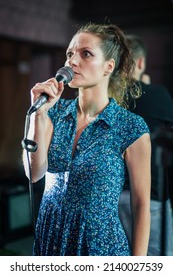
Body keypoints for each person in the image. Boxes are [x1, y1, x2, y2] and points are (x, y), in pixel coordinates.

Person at [23, 23, 151, 256]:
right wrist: (37, 115)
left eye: (86, 54)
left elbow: (141, 205)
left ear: (108, 67)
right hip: (51, 238)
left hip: (98, 245)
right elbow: (34, 174)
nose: (72, 61)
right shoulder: (53, 113)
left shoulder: (131, 127)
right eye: (70, 54)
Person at [118, 34, 173, 256]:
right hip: (150, 199)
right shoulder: (158, 94)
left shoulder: (105, 98)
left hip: (109, 197)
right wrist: (147, 87)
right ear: (140, 62)